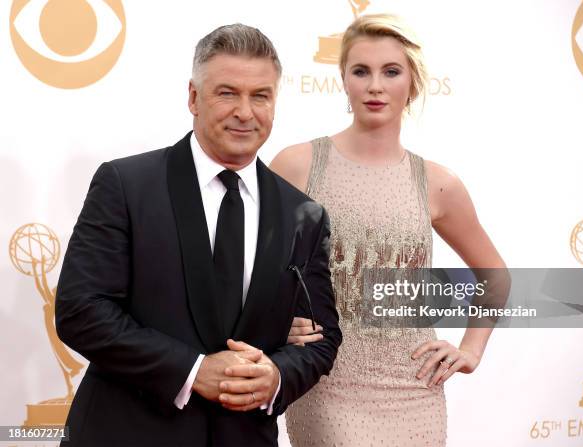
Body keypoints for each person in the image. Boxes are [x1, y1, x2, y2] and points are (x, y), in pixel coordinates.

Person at [54, 24, 341, 447]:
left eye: (260, 95)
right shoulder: (126, 184)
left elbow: (321, 337)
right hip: (126, 434)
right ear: (193, 97)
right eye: (227, 93)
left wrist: (276, 376)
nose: (245, 111)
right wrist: (191, 370)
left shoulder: (303, 213)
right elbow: (81, 310)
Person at [270, 14, 506, 446]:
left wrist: (470, 351)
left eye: (391, 71)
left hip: (414, 386)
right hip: (326, 383)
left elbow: (495, 275)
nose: (375, 85)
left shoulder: (437, 182)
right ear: (343, 79)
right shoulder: (297, 166)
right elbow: (255, 271)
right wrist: (275, 325)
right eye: (361, 71)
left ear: (412, 83)